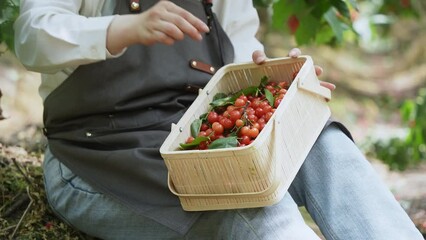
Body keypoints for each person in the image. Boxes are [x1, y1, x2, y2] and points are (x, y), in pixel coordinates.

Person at [13, 0, 423, 239]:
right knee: (255, 210)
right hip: (100, 158)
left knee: (324, 143)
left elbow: (242, 52)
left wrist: (277, 79)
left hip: (203, 137)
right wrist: (125, 28)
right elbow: (31, 36)